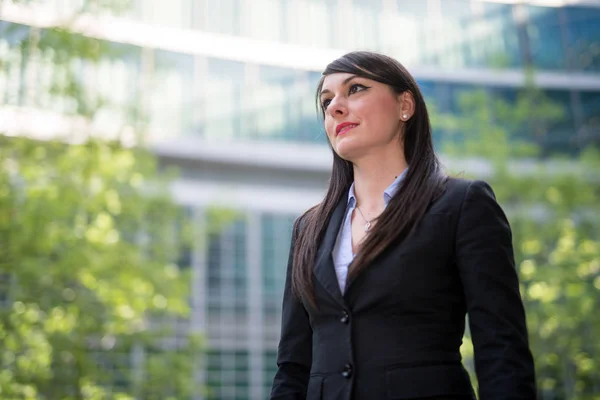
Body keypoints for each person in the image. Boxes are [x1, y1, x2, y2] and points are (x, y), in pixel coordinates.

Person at [269, 51, 536, 400]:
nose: (335, 107)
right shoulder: (308, 227)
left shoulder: (461, 204)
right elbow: (293, 367)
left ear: (405, 105)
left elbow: (502, 351)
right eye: (326, 100)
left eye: (356, 89)